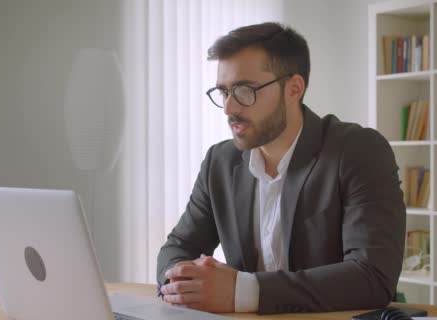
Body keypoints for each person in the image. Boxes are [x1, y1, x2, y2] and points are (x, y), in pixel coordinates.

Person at [157, 22, 406, 315]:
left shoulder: (357, 150)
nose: (229, 108)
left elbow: (372, 279)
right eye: (224, 91)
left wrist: (242, 291)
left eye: (244, 90)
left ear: (294, 88)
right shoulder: (220, 162)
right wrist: (181, 283)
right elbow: (177, 248)